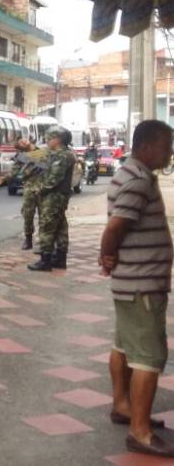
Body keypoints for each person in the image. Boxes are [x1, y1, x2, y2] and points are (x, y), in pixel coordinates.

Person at [99, 120, 174, 458]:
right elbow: (115, 226)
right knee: (149, 356)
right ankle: (139, 432)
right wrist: (106, 254)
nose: (170, 152)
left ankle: (123, 406)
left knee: (125, 346)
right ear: (146, 146)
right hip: (141, 283)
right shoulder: (138, 181)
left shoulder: (131, 173)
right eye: (166, 145)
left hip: (133, 282)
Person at [28, 127, 76, 271]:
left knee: (46, 226)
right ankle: (60, 258)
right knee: (61, 227)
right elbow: (36, 157)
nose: (47, 140)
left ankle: (45, 260)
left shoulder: (62, 156)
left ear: (58, 139)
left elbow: (53, 179)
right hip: (59, 196)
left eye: (49, 138)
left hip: (54, 196)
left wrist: (39, 189)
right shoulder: (62, 154)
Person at [0, 137, 48, 250]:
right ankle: (28, 239)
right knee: (27, 214)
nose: (24, 142)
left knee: (44, 215)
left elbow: (50, 164)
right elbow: (14, 171)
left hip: (44, 188)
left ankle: (44, 241)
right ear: (20, 148)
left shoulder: (43, 149)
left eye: (23, 140)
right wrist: (3, 179)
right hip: (30, 188)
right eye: (21, 143)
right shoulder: (21, 157)